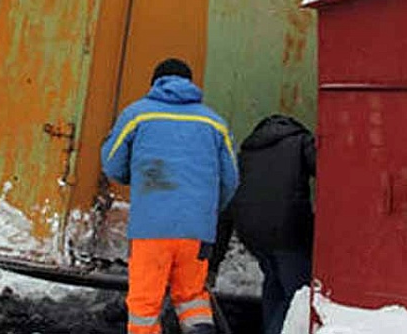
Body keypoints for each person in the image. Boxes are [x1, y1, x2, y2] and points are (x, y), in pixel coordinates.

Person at [101, 58, 239, 334]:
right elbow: (231, 179)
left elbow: (112, 164)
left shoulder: (137, 115)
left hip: (151, 229)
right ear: (190, 83)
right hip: (197, 232)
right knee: (192, 300)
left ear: (155, 82)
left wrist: (140, 179)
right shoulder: (214, 122)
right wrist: (208, 211)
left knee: (145, 306)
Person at [229, 114, 316, 334]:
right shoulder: (301, 141)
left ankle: (269, 327)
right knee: (297, 295)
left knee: (274, 285)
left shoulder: (248, 149)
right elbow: (328, 170)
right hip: (287, 232)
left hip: (251, 233)